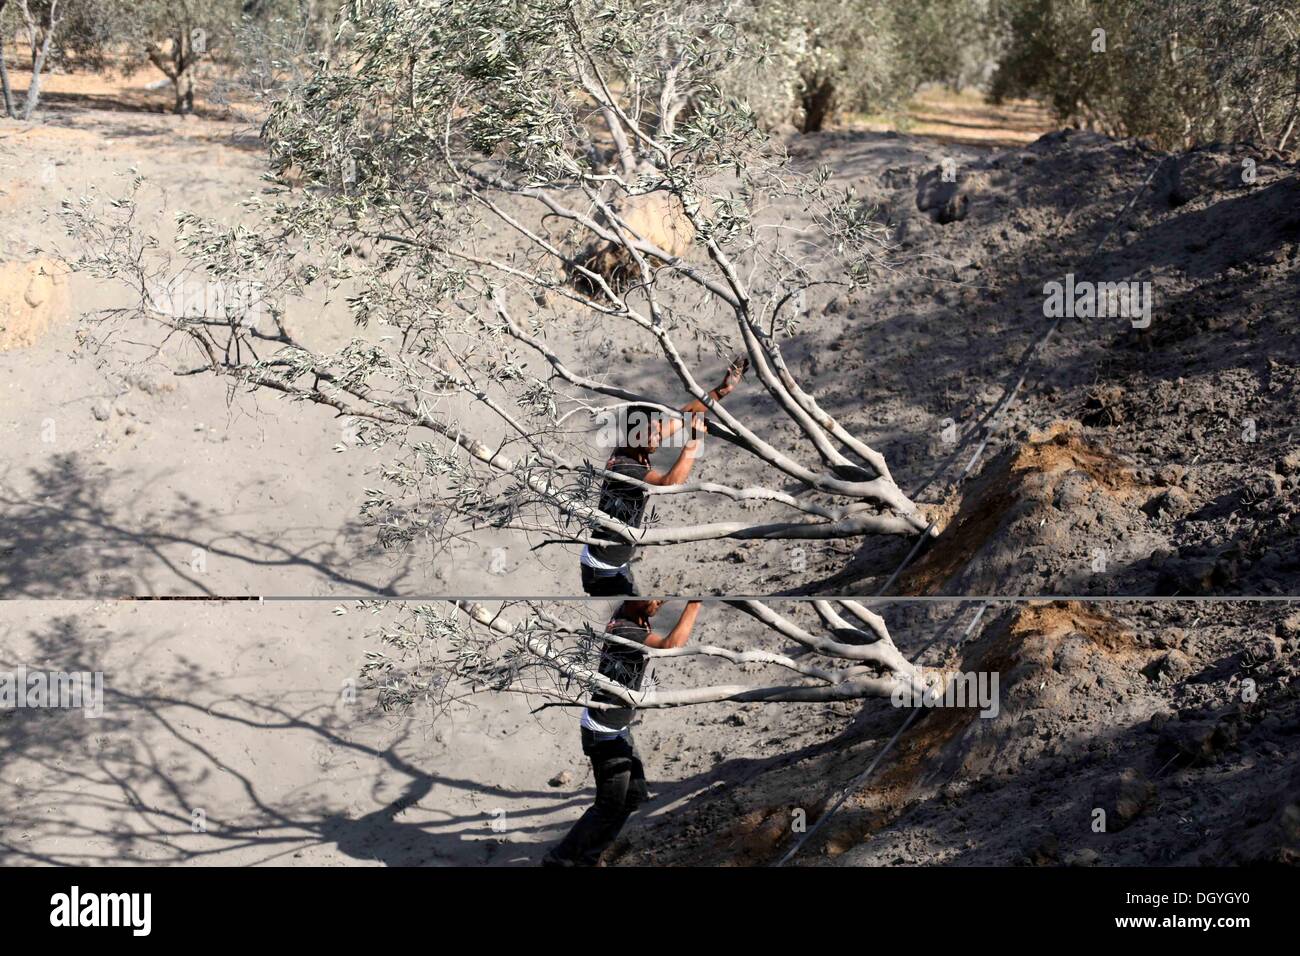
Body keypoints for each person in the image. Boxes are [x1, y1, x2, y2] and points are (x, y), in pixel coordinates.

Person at [542, 599, 703, 867]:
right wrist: (694, 604)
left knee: (634, 795)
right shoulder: (626, 631)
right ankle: (560, 859)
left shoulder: (634, 615)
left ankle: (589, 856)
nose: (657, 604)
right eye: (652, 601)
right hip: (604, 732)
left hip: (618, 727)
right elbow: (671, 646)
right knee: (608, 805)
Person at [579, 358, 748, 595]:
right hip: (603, 569)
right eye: (653, 433)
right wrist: (693, 442)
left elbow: (685, 416)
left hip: (615, 562)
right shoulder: (625, 468)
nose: (659, 437)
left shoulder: (634, 445)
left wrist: (721, 391)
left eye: (659, 430)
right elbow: (670, 483)